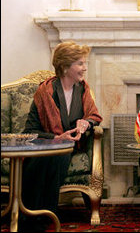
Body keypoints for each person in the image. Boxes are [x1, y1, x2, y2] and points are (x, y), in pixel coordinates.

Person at [20, 41, 103, 231]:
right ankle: (35, 215)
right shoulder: (45, 92)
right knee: (53, 155)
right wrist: (56, 138)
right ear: (65, 67)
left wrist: (86, 123)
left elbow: (94, 117)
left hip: (70, 148)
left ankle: (40, 215)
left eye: (84, 63)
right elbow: (30, 131)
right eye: (80, 64)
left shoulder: (83, 90)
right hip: (46, 147)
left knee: (62, 153)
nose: (85, 68)